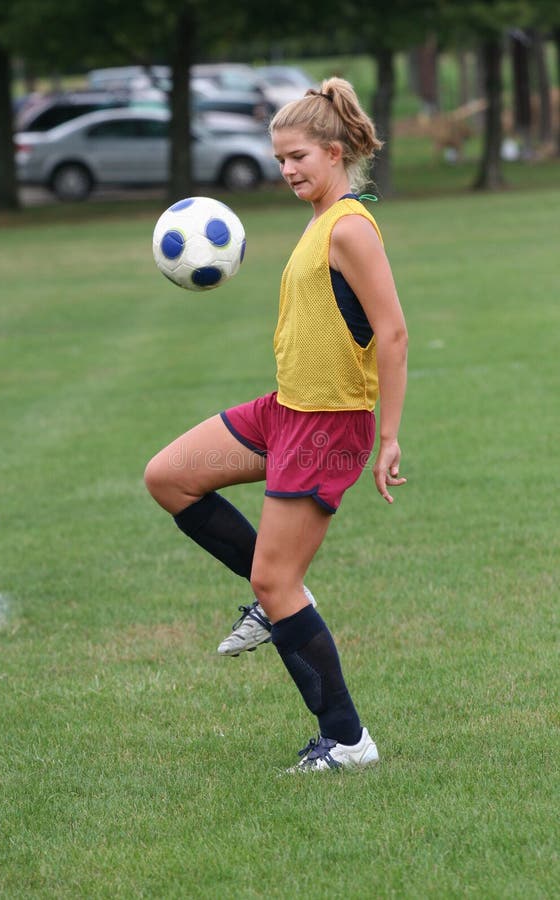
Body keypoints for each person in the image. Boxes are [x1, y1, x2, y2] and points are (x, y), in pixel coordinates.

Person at [144, 77, 408, 772]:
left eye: (297, 157)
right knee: (169, 479)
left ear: (333, 151)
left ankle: (348, 740)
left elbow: (394, 334)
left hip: (327, 425)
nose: (287, 170)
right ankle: (279, 592)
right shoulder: (321, 218)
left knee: (274, 580)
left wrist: (389, 436)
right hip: (284, 410)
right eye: (279, 159)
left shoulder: (349, 225)